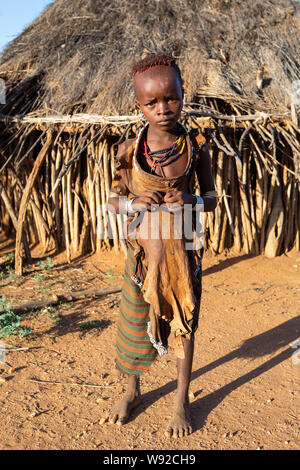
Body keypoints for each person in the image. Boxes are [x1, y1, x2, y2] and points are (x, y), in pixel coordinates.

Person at [100, 53, 217, 438]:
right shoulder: (128, 151)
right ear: (139, 105)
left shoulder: (197, 146)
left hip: (183, 250)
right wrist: (134, 202)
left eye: (172, 98)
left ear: (184, 94)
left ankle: (181, 400)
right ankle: (132, 391)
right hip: (141, 253)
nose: (163, 109)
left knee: (185, 322)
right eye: (151, 103)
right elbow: (111, 201)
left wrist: (193, 201)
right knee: (135, 318)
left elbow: (213, 198)